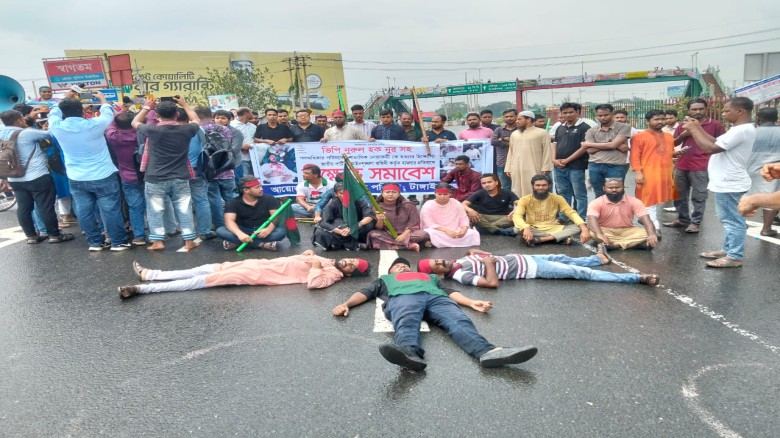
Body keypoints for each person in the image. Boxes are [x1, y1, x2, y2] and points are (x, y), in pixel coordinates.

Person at [331, 257, 538, 371]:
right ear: (391, 270)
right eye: (398, 266)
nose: (402, 266)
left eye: (405, 264)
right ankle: (410, 354)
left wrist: (472, 302)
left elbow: (449, 292)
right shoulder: (384, 279)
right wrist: (346, 304)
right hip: (404, 298)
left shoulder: (428, 276)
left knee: (458, 320)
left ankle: (488, 352)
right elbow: (364, 293)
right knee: (406, 320)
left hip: (436, 298)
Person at [49, 91, 131, 251]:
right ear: (82, 111)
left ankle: (94, 242)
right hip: (103, 175)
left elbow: (54, 111)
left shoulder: (56, 126)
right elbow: (108, 112)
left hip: (76, 177)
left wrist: (66, 98)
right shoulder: (94, 124)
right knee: (110, 209)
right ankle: (118, 242)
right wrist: (101, 98)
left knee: (84, 210)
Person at [683, 97, 755, 268]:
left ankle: (734, 256)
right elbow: (716, 141)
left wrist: (693, 130)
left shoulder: (741, 130)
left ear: (740, 112)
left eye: (726, 111)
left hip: (730, 182)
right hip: (727, 181)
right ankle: (728, 250)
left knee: (732, 221)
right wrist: (699, 128)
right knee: (728, 219)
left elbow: (709, 148)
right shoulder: (737, 129)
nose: (723, 114)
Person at [119, 250, 371, 299]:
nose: (347, 261)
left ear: (348, 275)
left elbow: (314, 285)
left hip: (256, 275)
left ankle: (142, 289)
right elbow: (308, 258)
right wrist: (310, 255)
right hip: (257, 263)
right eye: (349, 259)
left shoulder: (333, 275)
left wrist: (314, 263)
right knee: (203, 269)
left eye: (351, 265)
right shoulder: (329, 260)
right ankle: (152, 274)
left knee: (200, 282)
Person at [131, 96, 200, 251]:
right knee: (184, 209)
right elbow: (195, 119)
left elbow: (134, 122)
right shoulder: (187, 129)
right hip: (180, 177)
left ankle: (157, 242)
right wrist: (184, 103)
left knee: (155, 210)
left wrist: (147, 107)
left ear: (157, 116)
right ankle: (189, 241)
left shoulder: (152, 130)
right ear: (177, 114)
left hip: (155, 177)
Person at [0, 110, 74, 244]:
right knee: (45, 206)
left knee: (24, 207)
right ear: (17, 121)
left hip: (14, 177)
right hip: (37, 176)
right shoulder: (27, 133)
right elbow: (51, 134)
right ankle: (54, 235)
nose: (24, 120)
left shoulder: (1, 132)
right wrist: (45, 126)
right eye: (22, 118)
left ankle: (31, 236)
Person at [417, 247, 659, 288]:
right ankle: (634, 279)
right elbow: (490, 283)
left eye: (438, 259)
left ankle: (599, 258)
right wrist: (489, 264)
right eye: (438, 265)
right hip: (532, 269)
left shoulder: (458, 262)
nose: (442, 261)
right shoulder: (460, 275)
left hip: (525, 257)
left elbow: (478, 255)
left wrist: (473, 253)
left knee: (565, 257)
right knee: (580, 273)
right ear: (438, 273)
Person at [663, 99, 726, 233]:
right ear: (689, 110)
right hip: (682, 164)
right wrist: (684, 134)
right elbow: (672, 144)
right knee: (678, 195)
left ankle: (696, 222)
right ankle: (682, 219)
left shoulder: (715, 125)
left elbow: (721, 144)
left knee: (699, 196)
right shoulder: (683, 125)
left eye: (701, 109)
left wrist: (697, 130)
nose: (698, 112)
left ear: (706, 109)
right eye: (694, 109)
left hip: (702, 165)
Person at [629, 110, 677, 230]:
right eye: (656, 119)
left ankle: (646, 219)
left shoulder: (669, 136)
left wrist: (676, 153)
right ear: (647, 121)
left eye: (662, 119)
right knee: (649, 198)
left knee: (658, 198)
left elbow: (667, 152)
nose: (660, 122)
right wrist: (638, 172)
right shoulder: (639, 137)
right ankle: (654, 226)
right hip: (648, 173)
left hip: (665, 173)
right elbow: (634, 156)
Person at [105, 111, 147, 245]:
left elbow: (110, 124)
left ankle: (139, 236)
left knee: (134, 207)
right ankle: (156, 234)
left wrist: (115, 115)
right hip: (147, 174)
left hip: (127, 177)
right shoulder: (144, 134)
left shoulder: (113, 136)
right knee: (152, 206)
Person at [513, 174, 590, 246]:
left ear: (549, 186)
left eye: (544, 185)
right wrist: (526, 228)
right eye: (538, 185)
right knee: (517, 229)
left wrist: (584, 229)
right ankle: (557, 238)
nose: (541, 188)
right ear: (532, 186)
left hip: (553, 228)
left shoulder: (557, 198)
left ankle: (542, 240)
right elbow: (517, 216)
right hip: (533, 228)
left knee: (578, 227)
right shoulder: (525, 199)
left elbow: (570, 212)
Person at [218, 176, 288, 251]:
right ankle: (261, 245)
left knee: (281, 232)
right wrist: (240, 234)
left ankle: (239, 243)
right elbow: (229, 221)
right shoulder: (233, 203)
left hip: (263, 231)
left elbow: (276, 217)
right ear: (246, 190)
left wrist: (269, 229)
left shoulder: (270, 199)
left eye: (260, 186)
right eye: (257, 187)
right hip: (243, 230)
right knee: (220, 231)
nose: (261, 189)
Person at [587, 178, 658, 250]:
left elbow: (646, 219)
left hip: (628, 230)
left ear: (623, 187)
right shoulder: (596, 202)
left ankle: (614, 245)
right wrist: (599, 234)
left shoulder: (634, 201)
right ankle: (632, 244)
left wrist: (651, 235)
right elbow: (591, 219)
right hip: (605, 230)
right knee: (593, 233)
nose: (614, 190)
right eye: (610, 188)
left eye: (617, 187)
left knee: (649, 233)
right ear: (604, 188)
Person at [199, 108, 240, 232]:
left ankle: (220, 225)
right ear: (211, 116)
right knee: (231, 198)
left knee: (214, 199)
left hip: (210, 170)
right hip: (227, 169)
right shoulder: (225, 129)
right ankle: (236, 222)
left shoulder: (198, 130)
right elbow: (229, 147)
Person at [579, 104, 632, 199]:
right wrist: (612, 143)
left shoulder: (624, 127)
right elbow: (590, 150)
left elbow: (612, 145)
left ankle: (616, 214)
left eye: (606, 115)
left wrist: (612, 144)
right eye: (600, 115)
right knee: (599, 195)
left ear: (612, 114)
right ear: (596, 116)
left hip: (615, 166)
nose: (603, 117)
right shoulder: (591, 130)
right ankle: (602, 214)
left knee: (616, 194)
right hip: (595, 166)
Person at [744, 108, 780, 236]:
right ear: (776, 118)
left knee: (745, 196)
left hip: (751, 169)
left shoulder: (752, 132)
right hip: (772, 172)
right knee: (771, 199)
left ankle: (741, 222)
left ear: (759, 119)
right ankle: (766, 229)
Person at [552, 102, 590, 219]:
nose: (568, 115)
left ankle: (580, 217)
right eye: (565, 113)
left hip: (576, 167)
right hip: (559, 167)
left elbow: (584, 148)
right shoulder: (560, 127)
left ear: (578, 112)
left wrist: (567, 160)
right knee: (562, 193)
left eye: (571, 112)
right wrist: (554, 159)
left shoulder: (585, 128)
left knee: (579, 194)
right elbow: (554, 144)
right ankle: (564, 216)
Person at [366, 183, 429, 251]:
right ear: (382, 194)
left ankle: (395, 245)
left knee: (423, 234)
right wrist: (380, 220)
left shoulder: (408, 205)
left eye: (394, 192)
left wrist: (404, 234)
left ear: (399, 194)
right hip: (387, 234)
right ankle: (407, 246)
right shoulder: (377, 207)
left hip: (408, 234)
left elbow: (414, 223)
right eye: (387, 192)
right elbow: (379, 228)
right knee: (373, 234)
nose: (390, 194)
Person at [312, 182, 375, 250]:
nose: (346, 196)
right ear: (336, 194)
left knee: (370, 225)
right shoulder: (332, 204)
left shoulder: (360, 201)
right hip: (339, 228)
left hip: (356, 227)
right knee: (320, 232)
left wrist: (352, 228)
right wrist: (339, 231)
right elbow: (323, 222)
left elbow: (369, 216)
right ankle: (354, 244)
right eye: (342, 193)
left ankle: (339, 244)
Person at [505, 110, 553, 198]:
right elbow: (511, 152)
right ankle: (519, 210)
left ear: (528, 119)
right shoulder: (515, 134)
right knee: (517, 190)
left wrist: (546, 167)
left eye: (520, 119)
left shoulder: (542, 133)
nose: (517, 121)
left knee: (534, 189)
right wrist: (508, 167)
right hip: (516, 168)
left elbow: (547, 151)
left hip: (534, 167)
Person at [420, 183, 480, 248]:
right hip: (438, 231)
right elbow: (429, 224)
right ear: (435, 194)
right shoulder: (428, 205)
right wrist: (447, 231)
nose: (442, 196)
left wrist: (464, 230)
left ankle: (437, 243)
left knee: (473, 233)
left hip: (456, 230)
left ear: (450, 194)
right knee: (431, 233)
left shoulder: (456, 203)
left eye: (445, 194)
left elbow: (463, 219)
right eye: (439, 194)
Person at [491, 109, 519, 189]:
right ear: (503, 118)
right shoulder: (499, 130)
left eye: (511, 116)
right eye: (506, 117)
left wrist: (502, 139)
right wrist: (509, 142)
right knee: (505, 186)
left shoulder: (520, 130)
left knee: (519, 185)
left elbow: (523, 142)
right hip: (502, 162)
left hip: (518, 162)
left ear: (516, 117)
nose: (509, 118)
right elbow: (493, 142)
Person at [230, 107, 258, 178]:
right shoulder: (232, 125)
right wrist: (241, 146)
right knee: (243, 178)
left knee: (254, 177)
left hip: (254, 157)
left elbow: (257, 139)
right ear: (246, 113)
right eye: (251, 112)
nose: (252, 114)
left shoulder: (253, 126)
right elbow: (227, 141)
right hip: (239, 158)